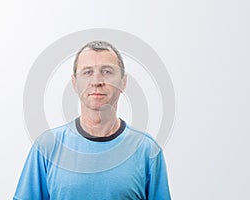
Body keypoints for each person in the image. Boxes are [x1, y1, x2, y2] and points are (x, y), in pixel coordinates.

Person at [13, 41, 171, 200]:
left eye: (107, 71)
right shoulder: (47, 146)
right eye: (87, 72)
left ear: (123, 82)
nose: (97, 81)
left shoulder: (147, 150)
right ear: (75, 83)